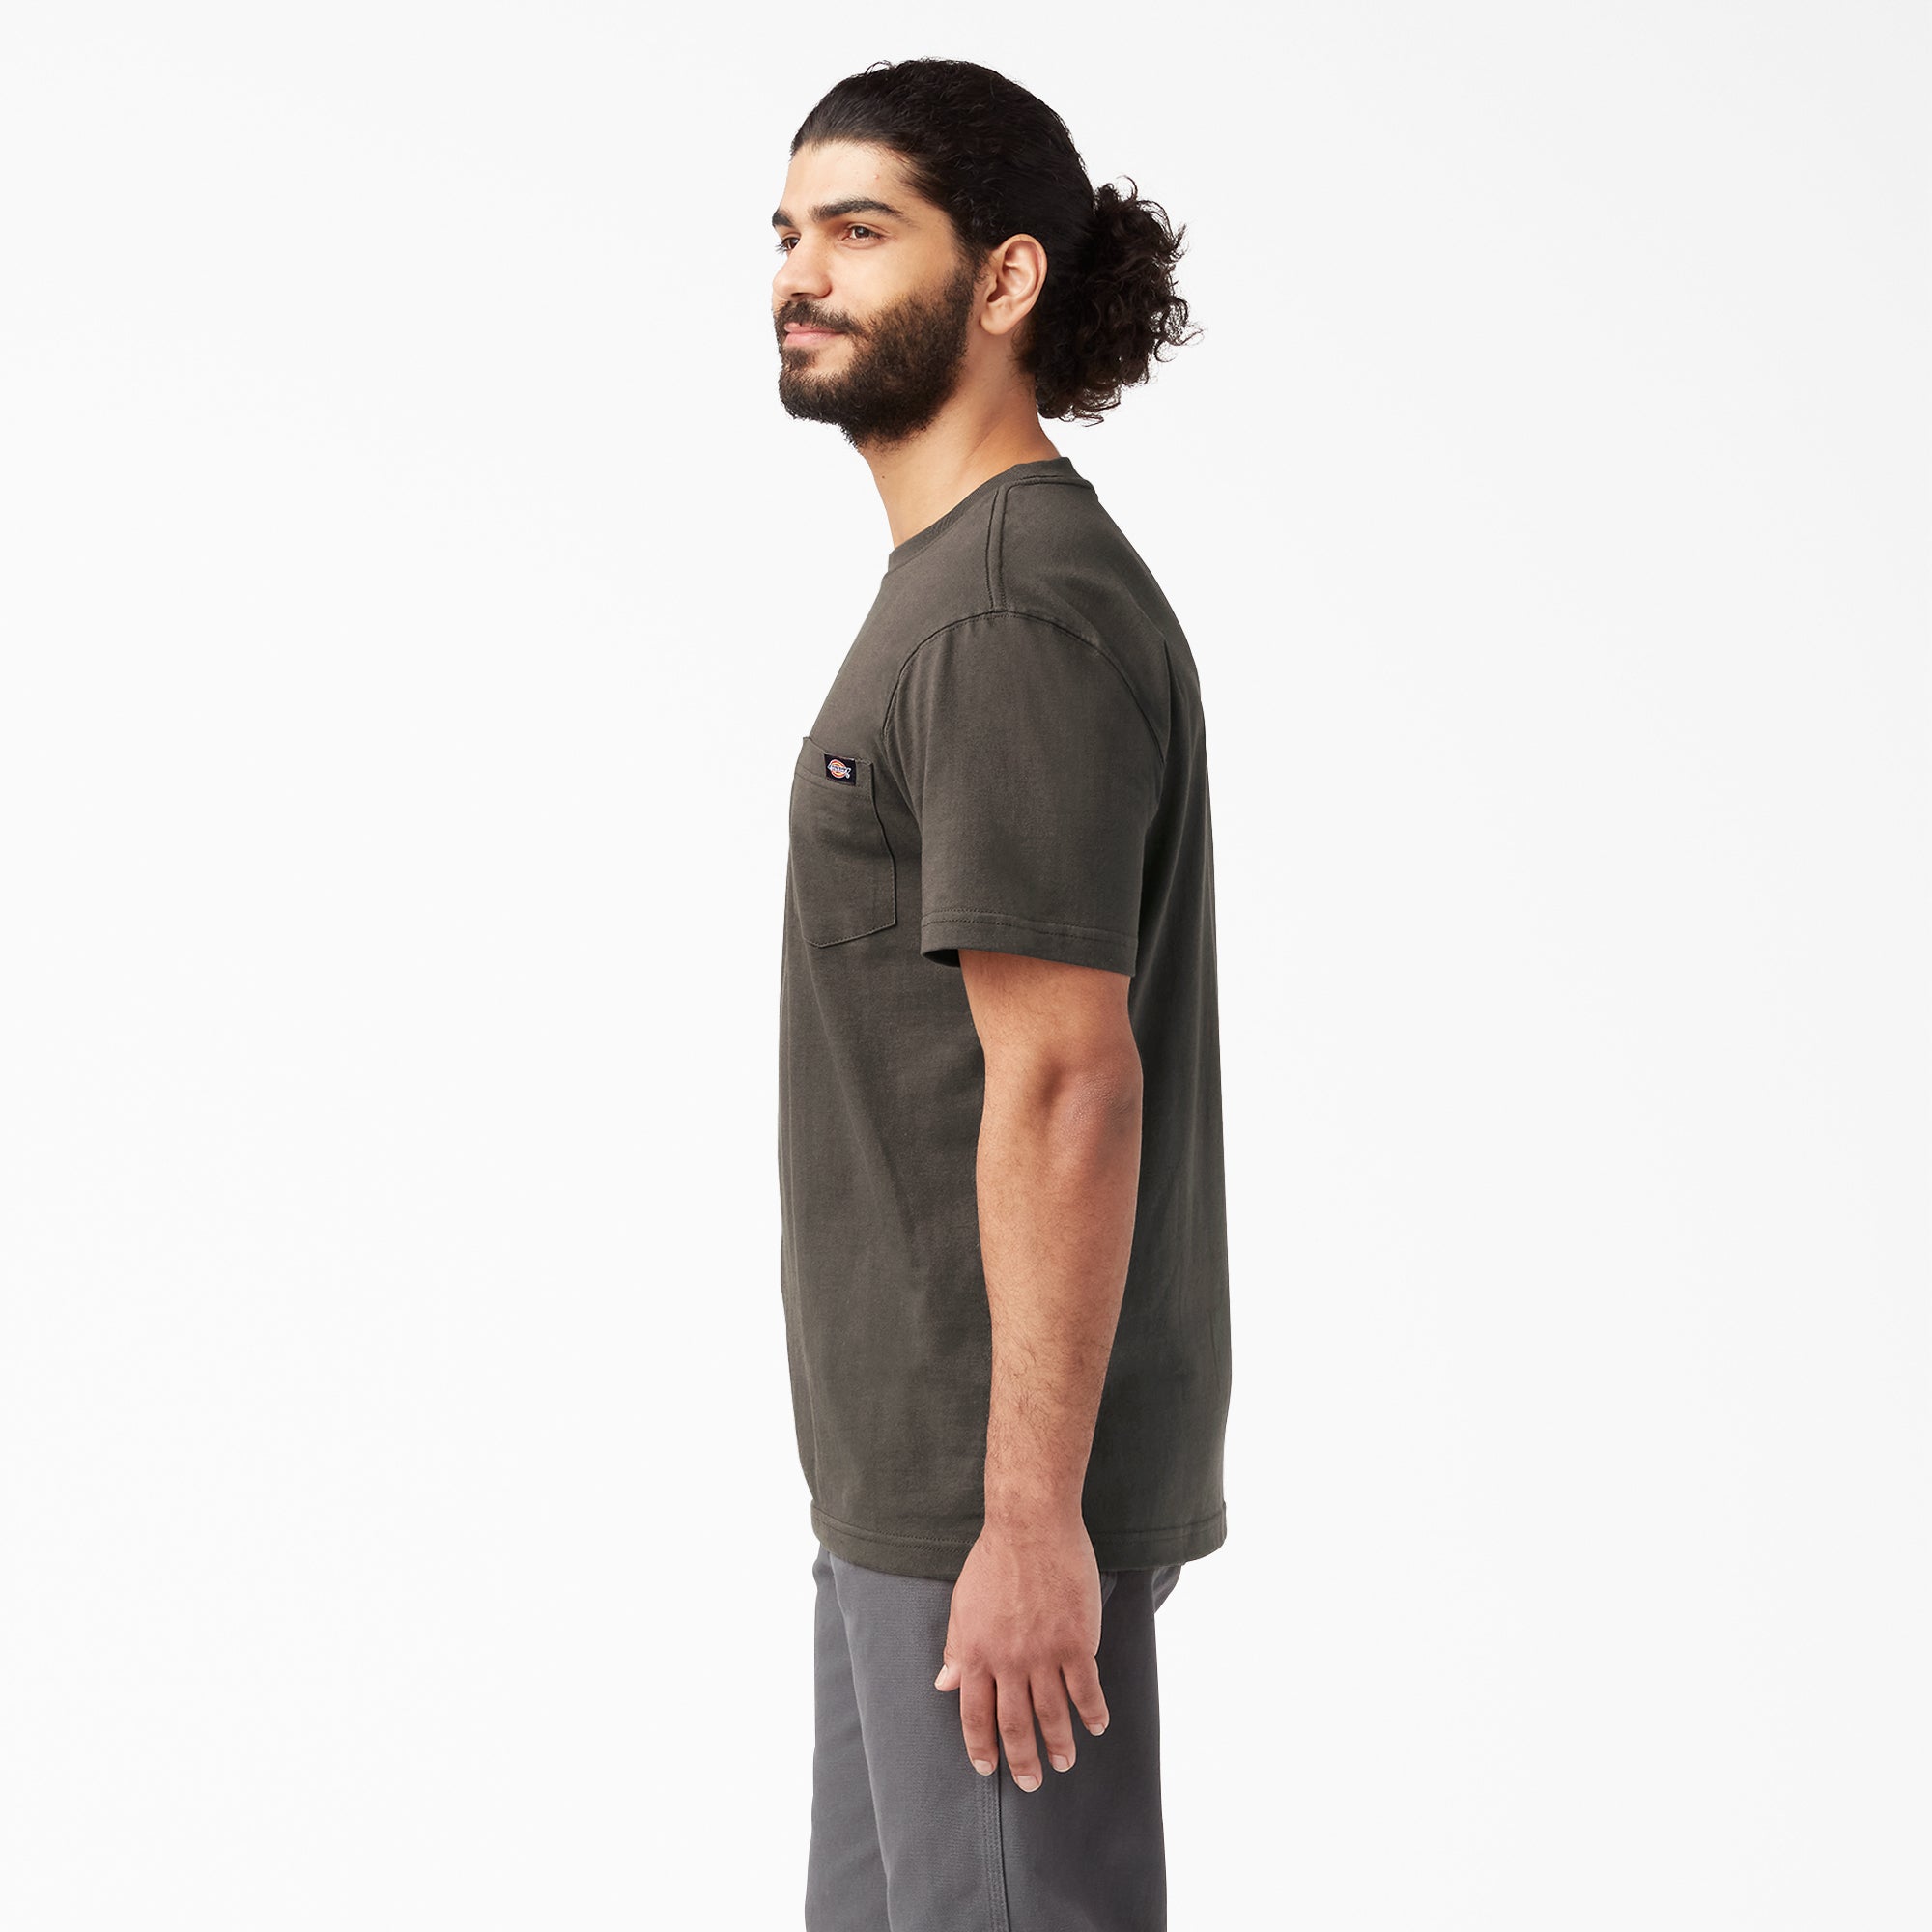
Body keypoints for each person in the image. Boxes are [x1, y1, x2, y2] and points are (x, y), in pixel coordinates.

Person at [771, 57, 1232, 1931]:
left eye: (859, 231)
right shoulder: (966, 585)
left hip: (988, 1507)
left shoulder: (1002, 614)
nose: (800, 274)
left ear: (1004, 279)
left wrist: (1030, 1521)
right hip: (913, 1489)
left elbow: (1065, 1079)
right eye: (787, 233)